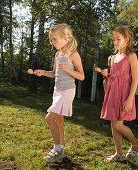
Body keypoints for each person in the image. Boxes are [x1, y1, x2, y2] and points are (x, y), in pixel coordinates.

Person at [29, 23, 85, 163]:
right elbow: (54, 73)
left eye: (55, 39)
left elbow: (81, 76)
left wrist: (68, 70)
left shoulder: (74, 54)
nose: (52, 42)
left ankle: (57, 148)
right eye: (51, 40)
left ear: (66, 38)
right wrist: (43, 72)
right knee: (59, 120)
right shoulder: (58, 54)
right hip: (57, 91)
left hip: (68, 91)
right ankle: (62, 152)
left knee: (49, 118)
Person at [100, 25, 138, 162]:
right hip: (112, 94)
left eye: (118, 39)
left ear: (127, 39)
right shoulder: (112, 58)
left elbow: (135, 79)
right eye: (114, 40)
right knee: (113, 124)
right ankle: (119, 154)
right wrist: (107, 74)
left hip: (124, 95)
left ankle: (135, 143)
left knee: (118, 124)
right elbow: (113, 76)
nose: (115, 42)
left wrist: (130, 99)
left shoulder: (132, 56)